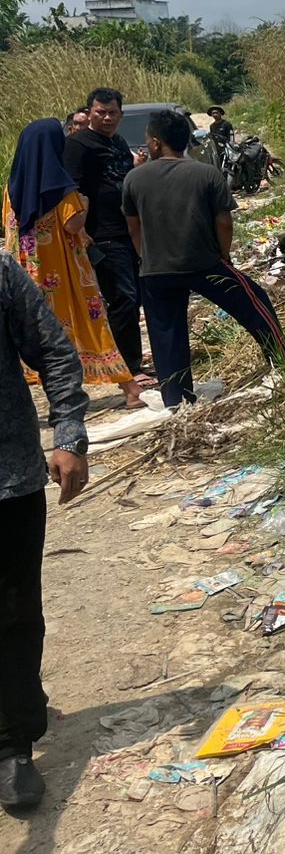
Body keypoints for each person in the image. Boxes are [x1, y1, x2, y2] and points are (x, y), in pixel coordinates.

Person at [122, 110, 285, 408]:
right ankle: (283, 359)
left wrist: (145, 257)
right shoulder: (205, 173)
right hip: (204, 263)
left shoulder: (134, 178)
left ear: (157, 143)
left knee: (166, 335)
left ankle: (176, 399)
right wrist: (223, 255)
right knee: (255, 303)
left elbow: (134, 228)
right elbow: (223, 222)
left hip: (156, 270)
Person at [0, 254, 89, 809]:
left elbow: (54, 351)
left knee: (12, 613)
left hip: (6, 480)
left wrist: (69, 435)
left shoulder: (1, 275)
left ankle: (13, 745)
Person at [4, 120, 144, 408]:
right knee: (89, 322)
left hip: (27, 274)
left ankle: (48, 398)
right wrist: (85, 202)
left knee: (32, 333)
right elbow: (73, 224)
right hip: (66, 274)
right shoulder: (60, 187)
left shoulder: (11, 189)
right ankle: (129, 389)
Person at [63, 87, 148, 382]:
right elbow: (71, 190)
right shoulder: (78, 144)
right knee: (122, 298)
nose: (107, 118)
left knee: (133, 297)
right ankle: (129, 369)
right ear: (89, 114)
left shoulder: (119, 142)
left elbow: (123, 179)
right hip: (102, 234)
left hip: (128, 230)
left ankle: (130, 361)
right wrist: (82, 232)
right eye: (101, 112)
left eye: (113, 112)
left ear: (121, 115)